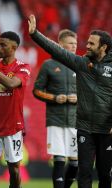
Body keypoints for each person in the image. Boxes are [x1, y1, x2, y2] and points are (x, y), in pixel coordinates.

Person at [28, 14, 112, 188]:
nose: (86, 46)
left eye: (91, 44)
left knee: (105, 174)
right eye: (87, 42)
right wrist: (35, 34)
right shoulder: (82, 64)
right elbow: (56, 50)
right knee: (84, 172)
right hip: (84, 128)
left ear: (103, 47)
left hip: (106, 129)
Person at [0, 31, 31, 188]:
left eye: (3, 45)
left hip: (13, 126)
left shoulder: (22, 67)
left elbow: (11, 83)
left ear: (14, 47)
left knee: (14, 169)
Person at [33, 29, 78, 188]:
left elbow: (89, 92)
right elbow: (37, 91)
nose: (74, 46)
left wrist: (79, 98)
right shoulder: (49, 65)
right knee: (59, 160)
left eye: (75, 44)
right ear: (60, 44)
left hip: (75, 121)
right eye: (70, 44)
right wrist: (54, 98)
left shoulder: (78, 65)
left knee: (75, 163)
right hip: (55, 119)